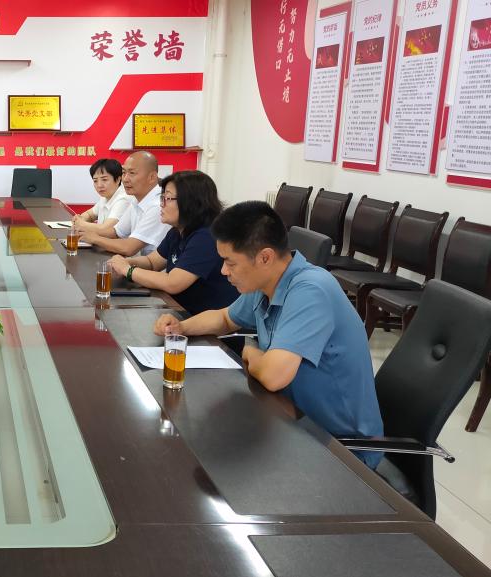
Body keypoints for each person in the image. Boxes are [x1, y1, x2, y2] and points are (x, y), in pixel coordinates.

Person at [153, 201, 384, 469]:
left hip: (341, 449)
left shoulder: (311, 291)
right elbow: (225, 318)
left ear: (264, 257)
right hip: (290, 422)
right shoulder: (265, 283)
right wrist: (180, 328)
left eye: (229, 262)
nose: (223, 271)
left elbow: (274, 377)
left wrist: (251, 352)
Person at [108, 170, 238, 315]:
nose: (161, 204)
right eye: (161, 197)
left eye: (167, 198)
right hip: (179, 310)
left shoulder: (206, 236)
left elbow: (173, 283)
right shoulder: (177, 230)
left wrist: (128, 270)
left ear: (191, 202)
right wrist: (125, 263)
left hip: (206, 321)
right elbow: (152, 262)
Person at [80, 151, 169, 256]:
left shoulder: (158, 205)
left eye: (132, 173)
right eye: (124, 173)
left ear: (152, 177)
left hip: (156, 265)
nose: (125, 179)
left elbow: (129, 248)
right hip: (140, 262)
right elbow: (116, 232)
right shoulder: (136, 199)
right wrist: (84, 231)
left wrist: (95, 238)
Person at [71, 158, 132, 236]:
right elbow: (90, 215)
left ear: (118, 180)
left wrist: (80, 223)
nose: (99, 185)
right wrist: (80, 219)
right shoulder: (106, 196)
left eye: (104, 180)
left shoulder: (124, 199)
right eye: (95, 181)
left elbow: (106, 229)